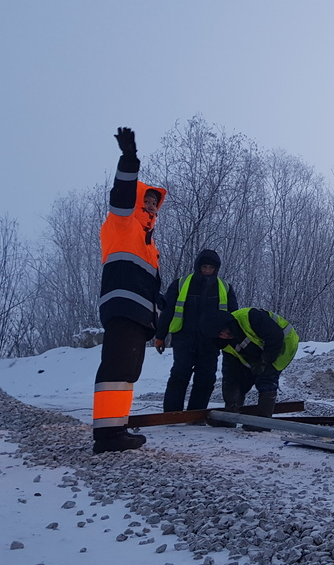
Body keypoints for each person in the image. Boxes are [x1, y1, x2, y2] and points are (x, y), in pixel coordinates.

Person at [92, 127, 167, 454]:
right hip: (122, 310)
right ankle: (107, 436)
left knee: (127, 373)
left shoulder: (150, 245)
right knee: (117, 370)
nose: (151, 208)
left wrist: (159, 321)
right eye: (147, 201)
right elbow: (121, 195)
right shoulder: (121, 225)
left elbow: (150, 289)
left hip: (138, 317)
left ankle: (115, 427)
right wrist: (129, 159)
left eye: (154, 204)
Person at [154, 249, 238, 413]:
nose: (207, 270)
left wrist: (232, 340)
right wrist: (160, 336)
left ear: (216, 269)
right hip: (184, 339)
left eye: (210, 268)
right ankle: (171, 414)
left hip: (211, 343)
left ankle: (196, 414)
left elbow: (233, 318)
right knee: (179, 375)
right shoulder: (180, 284)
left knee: (206, 379)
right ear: (198, 266)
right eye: (204, 267)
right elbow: (168, 311)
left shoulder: (225, 288)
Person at [199, 307, 299, 431]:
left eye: (224, 330)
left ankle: (263, 422)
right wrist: (231, 395)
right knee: (239, 381)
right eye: (220, 335)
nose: (225, 335)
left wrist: (265, 362)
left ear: (227, 323)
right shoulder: (226, 345)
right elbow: (231, 373)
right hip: (257, 351)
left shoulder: (250, 317)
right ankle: (231, 418)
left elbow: (275, 336)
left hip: (284, 344)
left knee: (266, 378)